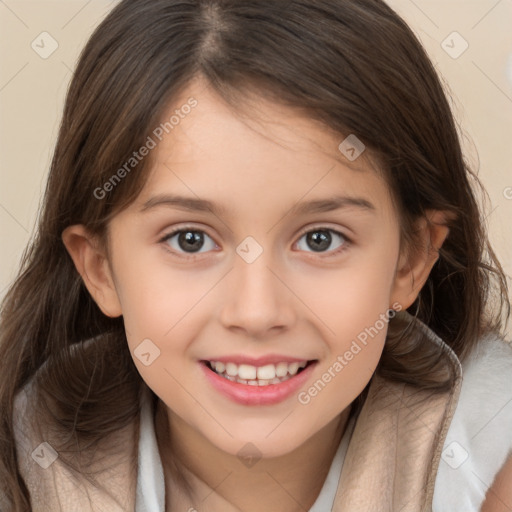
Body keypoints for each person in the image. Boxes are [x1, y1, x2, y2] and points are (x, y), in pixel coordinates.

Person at [1, 1, 511, 511]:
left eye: (320, 239)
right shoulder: (22, 470)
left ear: (410, 262)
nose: (257, 312)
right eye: (190, 240)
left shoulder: (490, 461)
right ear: (101, 268)